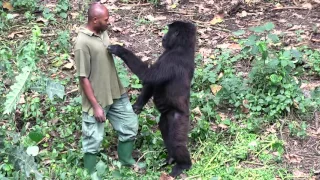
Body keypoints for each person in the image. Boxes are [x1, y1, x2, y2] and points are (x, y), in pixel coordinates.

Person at [73, 2, 140, 175]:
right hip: (97, 98)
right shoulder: (82, 43)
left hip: (116, 92)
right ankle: (90, 172)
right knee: (93, 138)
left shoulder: (102, 32)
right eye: (106, 19)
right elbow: (83, 77)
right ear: (95, 20)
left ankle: (126, 160)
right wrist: (95, 106)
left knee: (130, 124)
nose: (109, 21)